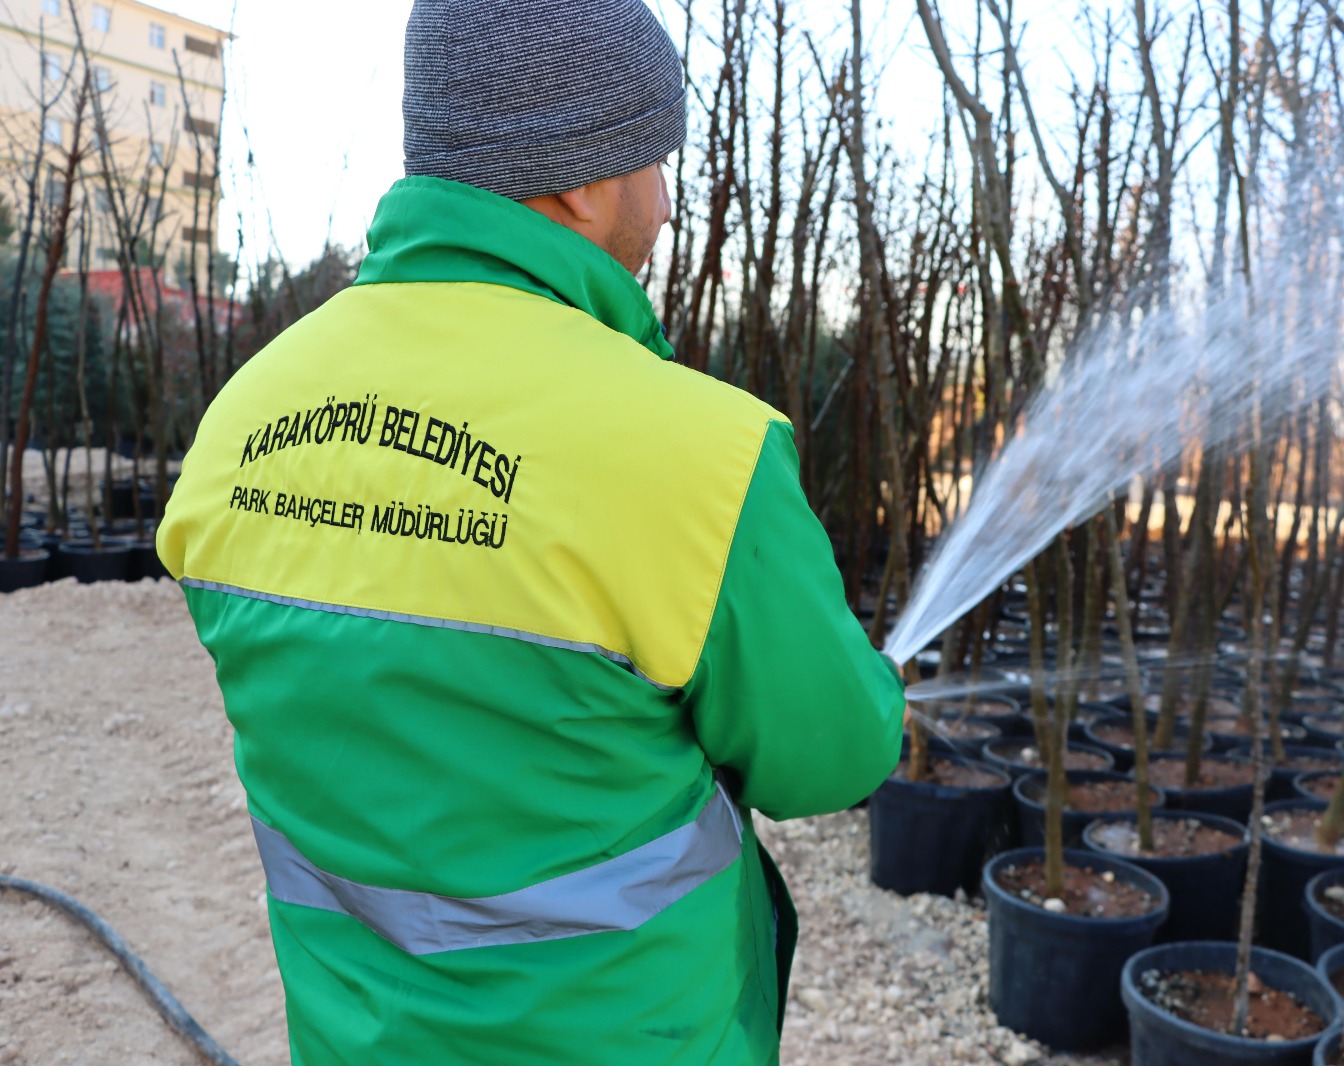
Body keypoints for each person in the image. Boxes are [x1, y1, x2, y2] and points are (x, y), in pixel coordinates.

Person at [155, 1, 904, 1062]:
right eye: (657, 156)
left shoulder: (236, 427)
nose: (666, 196)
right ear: (587, 185)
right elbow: (829, 758)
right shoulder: (698, 457)